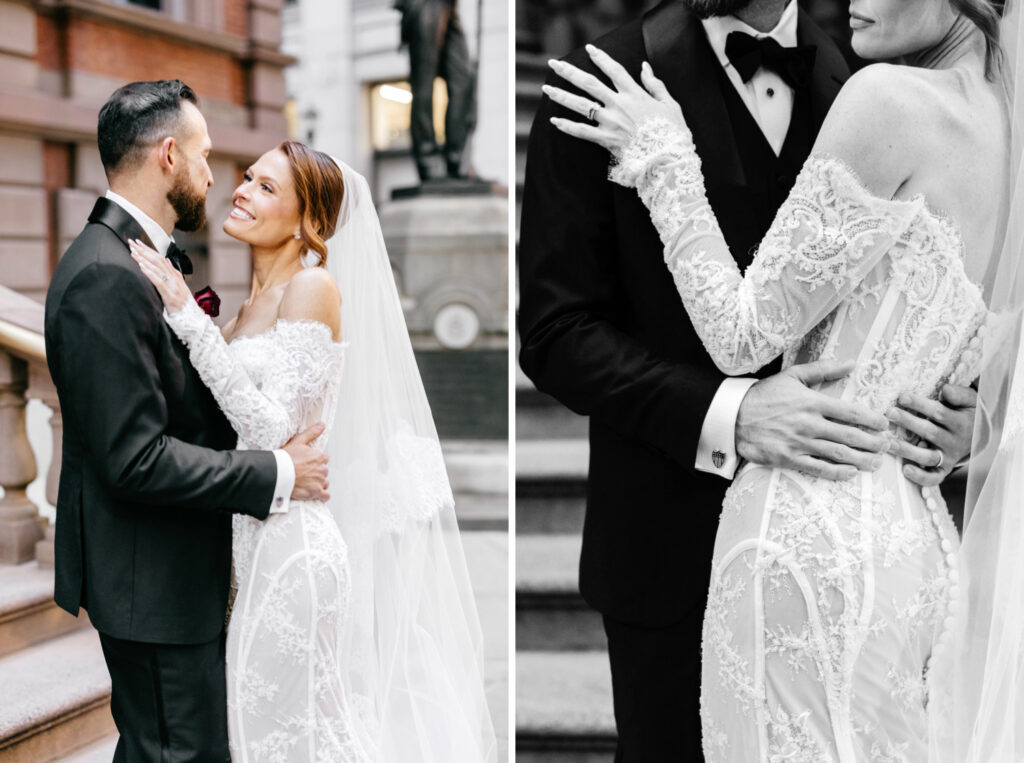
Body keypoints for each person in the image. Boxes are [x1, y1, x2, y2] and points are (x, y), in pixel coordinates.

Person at [544, 0, 1008, 756]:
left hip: (800, 535)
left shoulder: (872, 89)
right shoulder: (1008, 131)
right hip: (891, 548)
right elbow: (557, 329)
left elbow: (742, 332)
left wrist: (664, 159)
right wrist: (972, 416)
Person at [131, 140, 497, 760]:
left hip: (294, 550)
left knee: (297, 739)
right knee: (266, 735)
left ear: (310, 222)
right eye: (248, 177)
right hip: (251, 548)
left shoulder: (313, 288)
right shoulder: (246, 308)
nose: (242, 189)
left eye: (267, 187)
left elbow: (277, 430)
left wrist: (188, 323)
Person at [43, 80, 330, 760]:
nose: (216, 177)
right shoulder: (105, 275)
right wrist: (280, 470)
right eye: (204, 156)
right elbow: (135, 458)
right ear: (168, 155)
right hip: (154, 580)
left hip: (175, 572)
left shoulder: (135, 262)